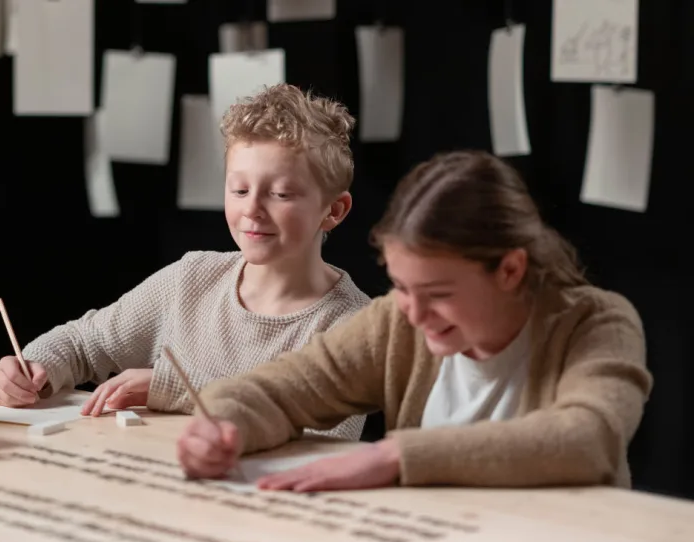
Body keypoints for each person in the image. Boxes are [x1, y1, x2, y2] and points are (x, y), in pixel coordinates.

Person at [177, 150, 653, 491]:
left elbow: (587, 440)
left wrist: (395, 456)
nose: (415, 313)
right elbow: (276, 389)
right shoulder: (397, 322)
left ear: (511, 270)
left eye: (438, 294)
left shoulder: (596, 324)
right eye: (402, 287)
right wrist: (220, 424)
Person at [0, 84, 372, 440]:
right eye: (239, 189)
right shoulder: (192, 278)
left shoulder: (354, 325)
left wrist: (175, 387)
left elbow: (319, 439)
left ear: (334, 210)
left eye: (281, 193)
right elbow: (84, 342)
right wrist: (35, 367)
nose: (252, 209)